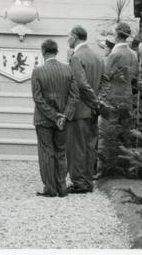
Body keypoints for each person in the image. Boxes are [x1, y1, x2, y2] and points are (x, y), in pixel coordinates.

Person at [31, 39, 77, 198]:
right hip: (63, 120)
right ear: (57, 51)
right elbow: (74, 96)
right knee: (61, 152)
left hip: (44, 119)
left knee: (46, 152)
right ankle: (62, 187)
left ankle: (50, 188)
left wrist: (54, 115)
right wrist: (64, 116)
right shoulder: (68, 70)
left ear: (43, 52)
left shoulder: (38, 71)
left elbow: (37, 98)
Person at [65, 25, 104, 194]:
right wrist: (98, 101)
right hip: (93, 110)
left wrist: (94, 101)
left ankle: (80, 182)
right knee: (90, 146)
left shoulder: (76, 57)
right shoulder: (97, 56)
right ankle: (88, 180)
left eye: (69, 36)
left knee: (77, 147)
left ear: (75, 37)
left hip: (80, 108)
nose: (68, 39)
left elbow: (81, 84)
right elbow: (104, 81)